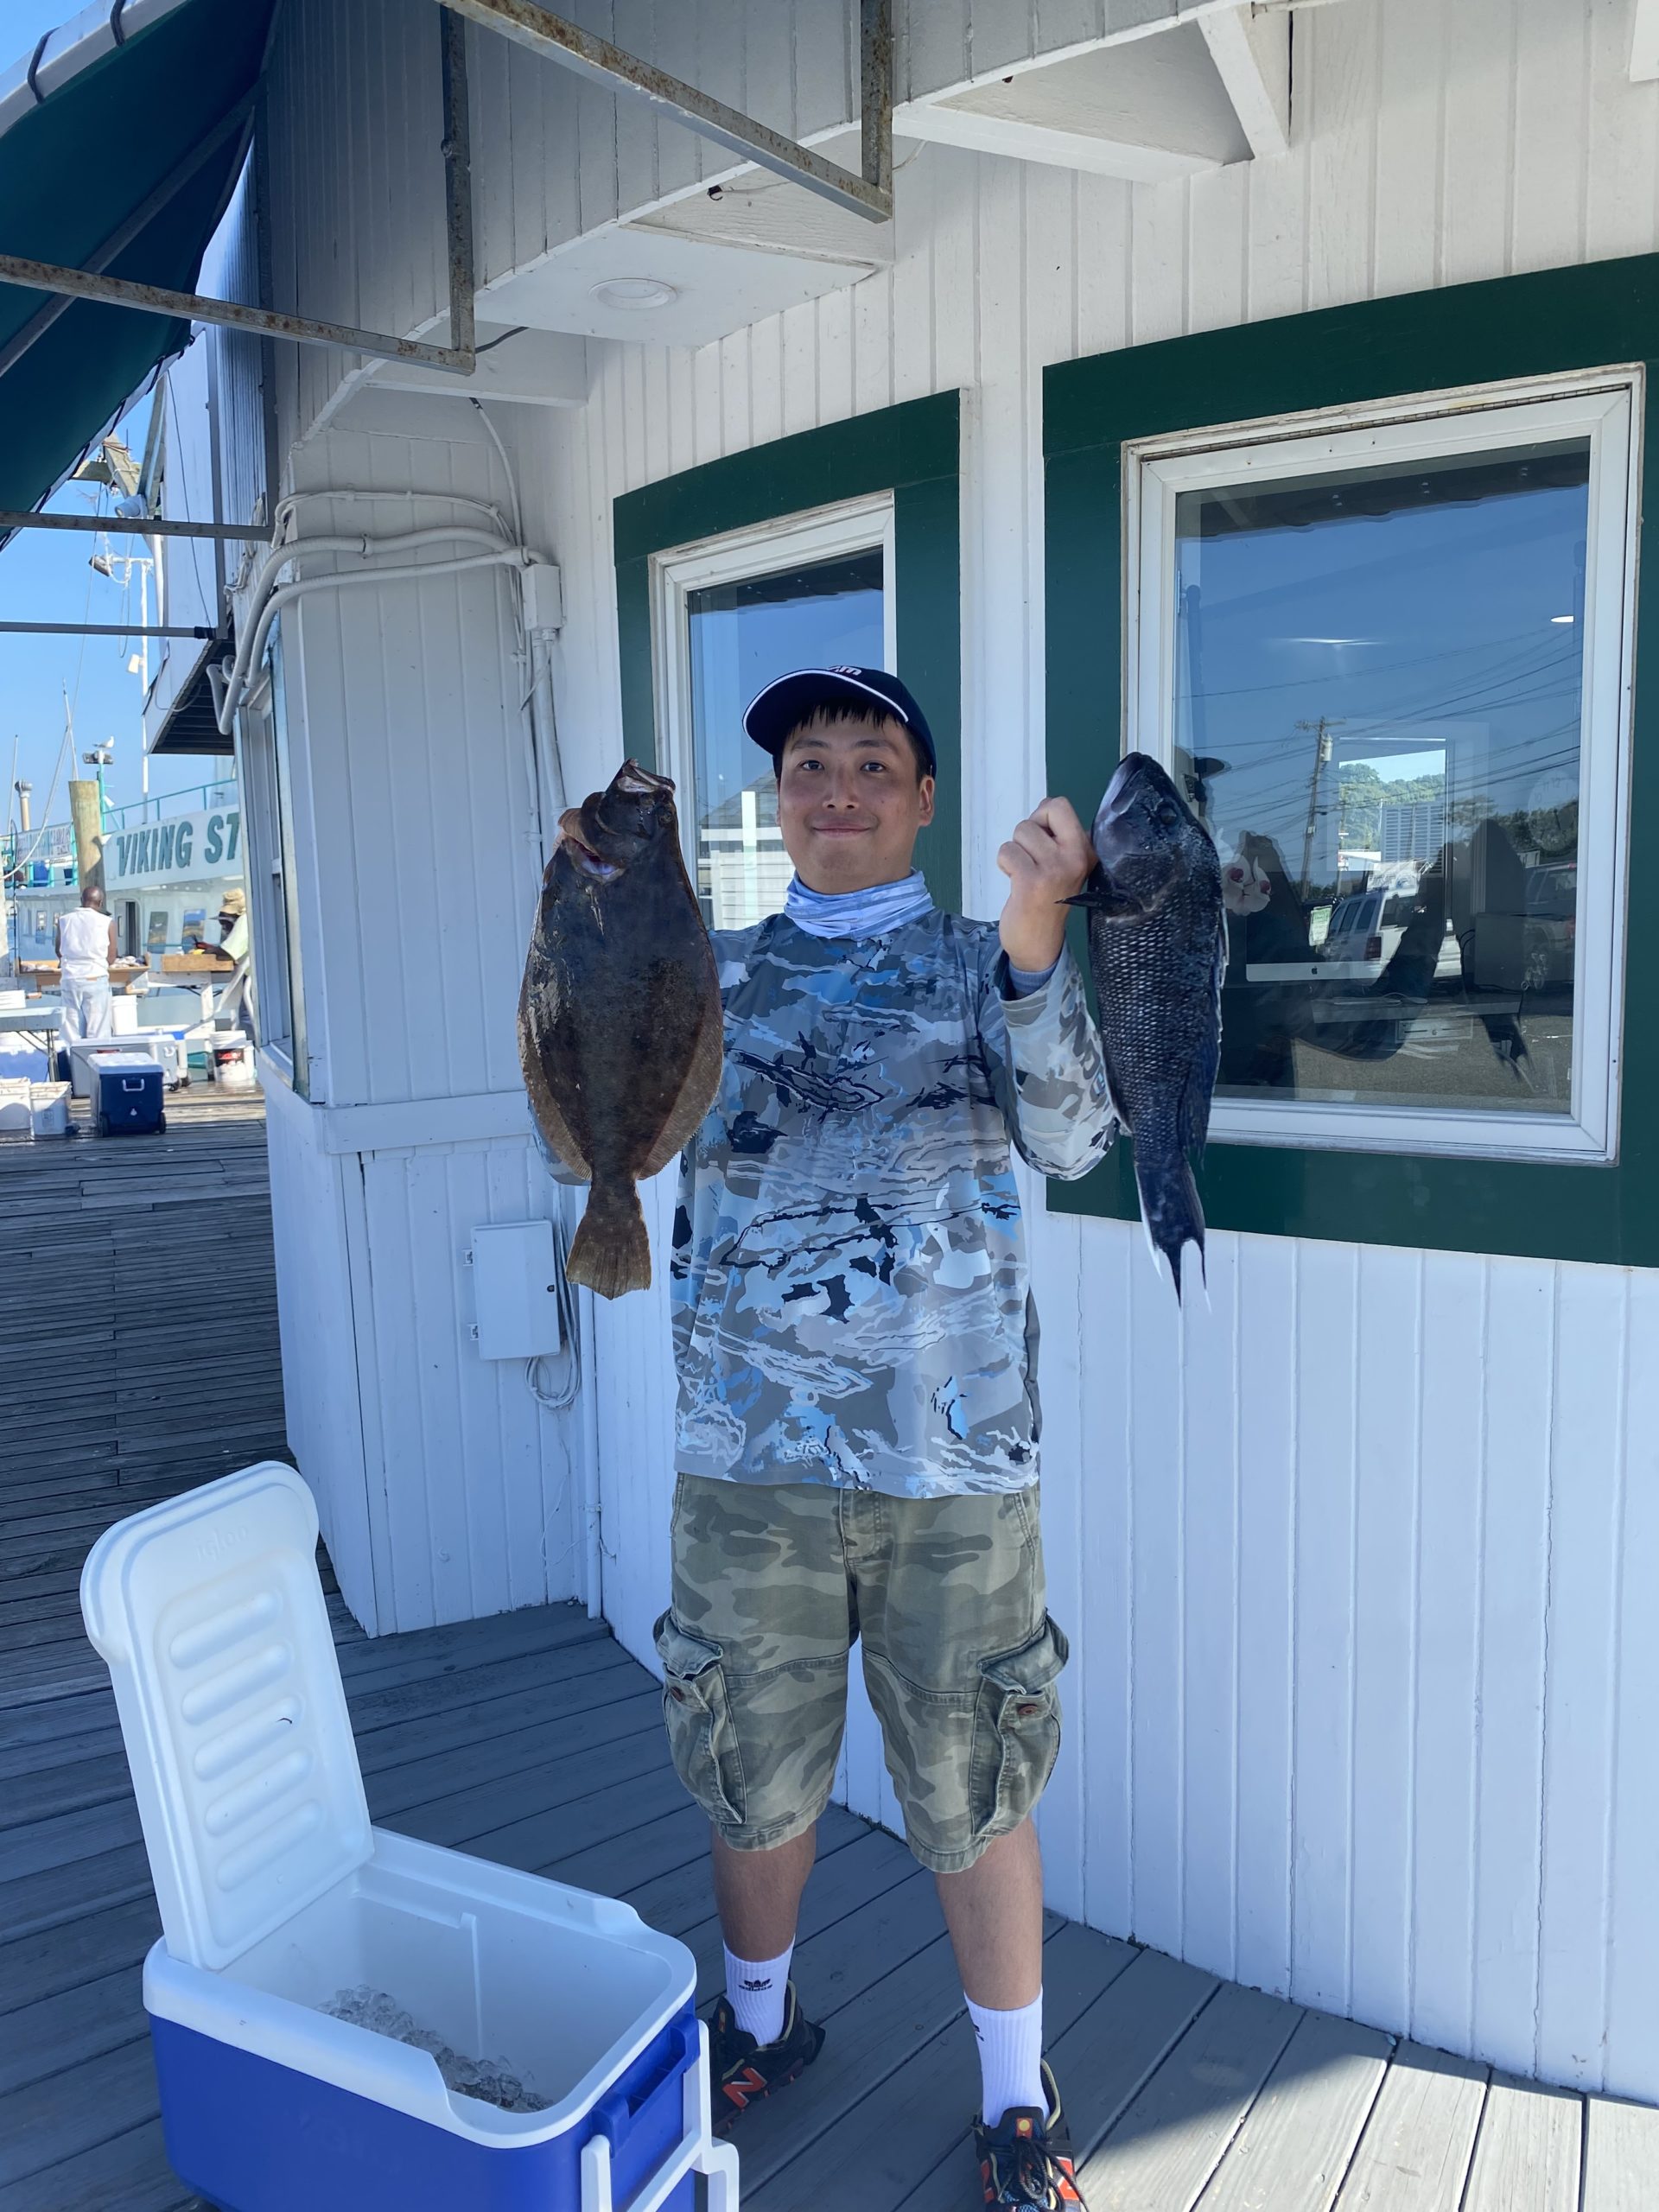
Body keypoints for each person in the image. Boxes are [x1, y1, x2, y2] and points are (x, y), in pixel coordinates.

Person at [629, 666, 1116, 2208]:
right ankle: (761, 2023)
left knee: (974, 1782)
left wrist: (1040, 935)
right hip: (744, 1456)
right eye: (807, 763)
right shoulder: (706, 973)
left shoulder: (988, 961)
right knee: (747, 1768)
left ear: (922, 800)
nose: (835, 787)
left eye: (871, 762)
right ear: (778, 800)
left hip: (950, 1465)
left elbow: (1074, 1139)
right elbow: (609, 1126)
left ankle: (1015, 2096)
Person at [54, 885, 118, 1052]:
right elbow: (111, 957)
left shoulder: (64, 920)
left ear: (81, 900)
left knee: (70, 1031)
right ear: (101, 903)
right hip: (96, 978)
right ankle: (97, 1063)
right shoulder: (107, 922)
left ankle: (72, 1063)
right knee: (98, 1032)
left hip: (70, 979)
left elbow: (58, 950)